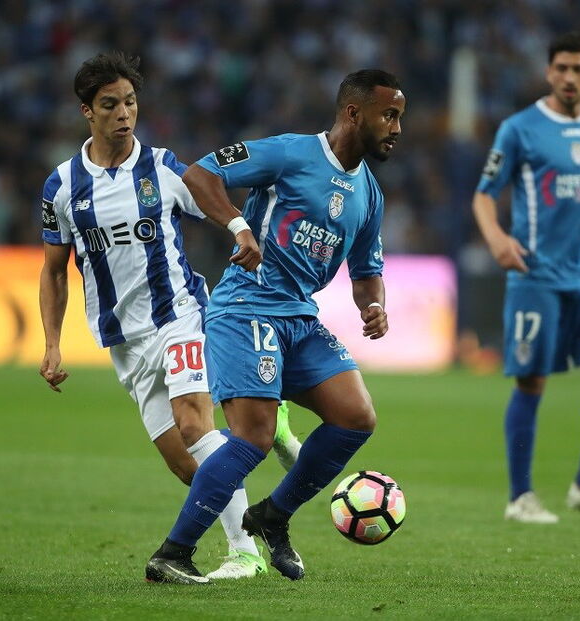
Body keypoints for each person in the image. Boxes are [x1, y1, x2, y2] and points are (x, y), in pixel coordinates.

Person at [37, 51, 300, 581]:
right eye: (109, 105)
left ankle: (243, 552)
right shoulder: (62, 187)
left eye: (130, 102)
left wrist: (239, 229)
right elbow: (54, 271)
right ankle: (268, 421)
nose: (123, 113)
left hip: (179, 315)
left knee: (194, 423)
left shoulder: (162, 167)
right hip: (124, 342)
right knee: (188, 466)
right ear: (86, 110)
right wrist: (52, 343)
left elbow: (212, 194)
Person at [141, 69, 405, 584]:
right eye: (388, 115)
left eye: (399, 116)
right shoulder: (289, 153)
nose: (396, 127)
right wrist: (239, 226)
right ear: (354, 113)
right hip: (248, 307)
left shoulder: (370, 194)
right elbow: (199, 173)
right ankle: (173, 552)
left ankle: (272, 516)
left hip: (299, 316)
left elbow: (367, 272)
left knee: (356, 417)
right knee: (253, 438)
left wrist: (375, 306)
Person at [473, 33, 580, 524]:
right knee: (531, 381)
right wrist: (497, 239)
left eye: (579, 69)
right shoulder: (519, 130)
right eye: (562, 68)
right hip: (536, 276)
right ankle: (520, 497)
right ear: (549, 72)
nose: (570, 77)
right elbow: (484, 195)